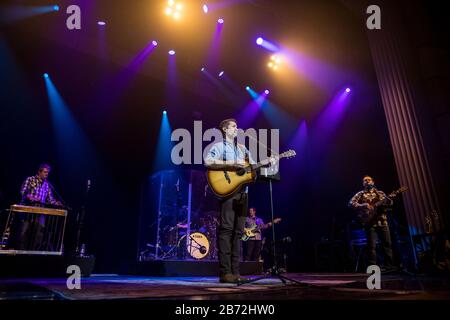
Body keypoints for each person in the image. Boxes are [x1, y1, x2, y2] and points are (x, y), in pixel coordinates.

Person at [204, 118, 256, 283]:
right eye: (233, 126)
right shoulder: (219, 146)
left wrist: (270, 163)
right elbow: (208, 161)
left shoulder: (243, 148)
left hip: (243, 194)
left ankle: (235, 272)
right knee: (226, 231)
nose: (237, 128)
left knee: (239, 233)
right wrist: (233, 164)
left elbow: (253, 168)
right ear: (225, 129)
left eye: (236, 126)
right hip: (228, 192)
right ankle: (225, 273)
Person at [348, 175, 395, 271]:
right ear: (363, 183)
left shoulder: (380, 193)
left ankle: (389, 266)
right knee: (371, 246)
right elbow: (350, 203)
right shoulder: (360, 194)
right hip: (369, 222)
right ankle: (373, 268)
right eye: (365, 180)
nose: (367, 181)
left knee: (387, 244)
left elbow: (389, 204)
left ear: (373, 182)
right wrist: (362, 205)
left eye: (369, 180)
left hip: (382, 221)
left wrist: (388, 200)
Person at [14, 164, 61, 250]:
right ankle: (19, 254)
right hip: (28, 210)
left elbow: (50, 199)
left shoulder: (47, 184)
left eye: (48, 173)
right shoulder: (30, 179)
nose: (47, 174)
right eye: (45, 172)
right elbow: (22, 192)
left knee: (39, 235)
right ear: (39, 172)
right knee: (23, 233)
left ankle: (33, 255)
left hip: (40, 212)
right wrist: (31, 197)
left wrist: (56, 203)